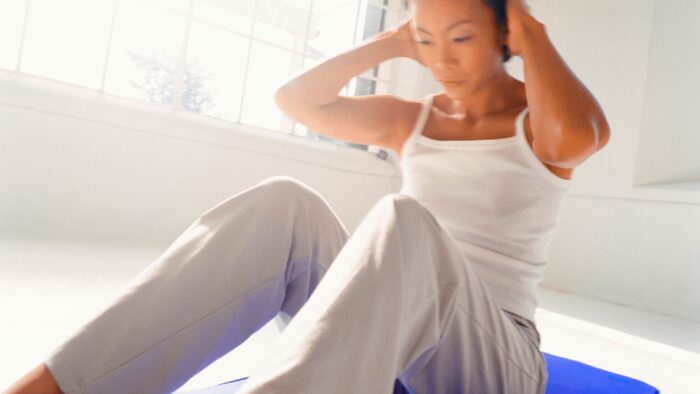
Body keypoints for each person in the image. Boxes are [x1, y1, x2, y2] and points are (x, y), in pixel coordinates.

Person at [5, 0, 610, 393]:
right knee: (284, 202)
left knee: (404, 220)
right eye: (427, 41)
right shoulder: (412, 119)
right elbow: (297, 102)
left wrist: (532, 34)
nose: (443, 60)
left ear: (503, 34)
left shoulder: (540, 123)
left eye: (461, 38)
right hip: (394, 330)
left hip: (493, 357)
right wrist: (387, 45)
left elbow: (582, 136)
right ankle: (62, 386)